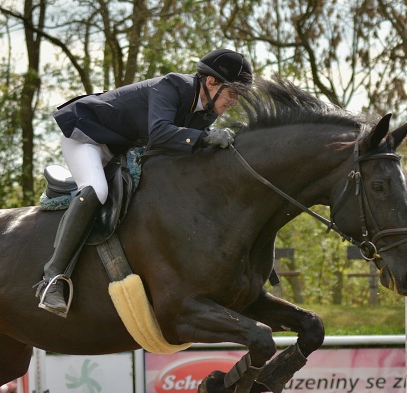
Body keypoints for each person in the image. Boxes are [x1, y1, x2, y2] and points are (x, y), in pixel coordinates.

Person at [37, 48, 254, 317]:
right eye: (233, 93)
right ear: (211, 82)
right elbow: (161, 132)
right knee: (97, 191)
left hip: (118, 147)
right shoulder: (172, 86)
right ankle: (53, 279)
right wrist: (207, 139)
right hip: (87, 135)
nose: (234, 101)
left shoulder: (207, 111)